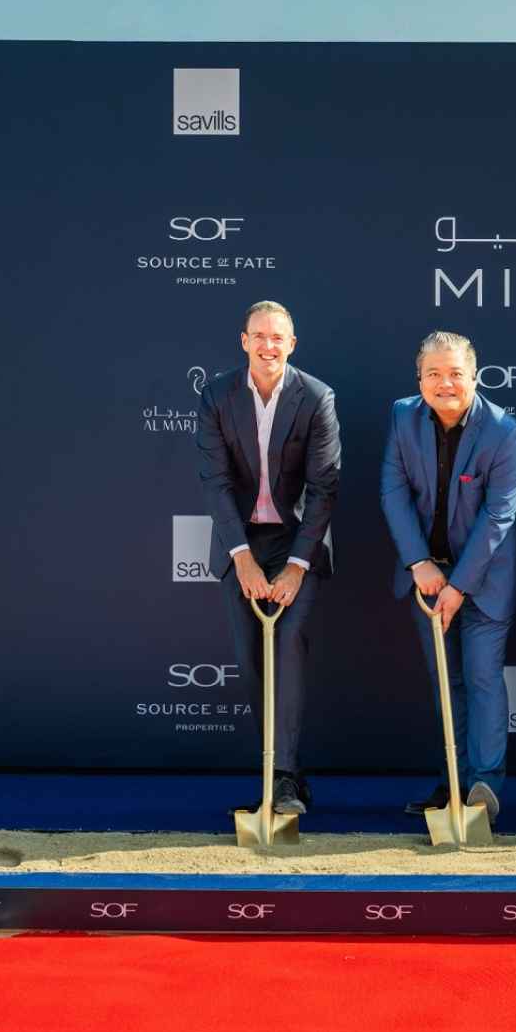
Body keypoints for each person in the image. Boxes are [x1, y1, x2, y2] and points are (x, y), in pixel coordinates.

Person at [196, 299, 339, 817]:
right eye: (260, 336)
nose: (268, 345)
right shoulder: (216, 395)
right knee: (253, 663)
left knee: (289, 652)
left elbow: (324, 488)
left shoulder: (316, 397)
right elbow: (215, 482)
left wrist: (298, 565)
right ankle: (281, 775)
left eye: (278, 337)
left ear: (292, 344)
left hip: (298, 542)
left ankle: (281, 778)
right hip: (241, 544)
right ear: (244, 341)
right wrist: (242, 558)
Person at [379, 330, 516, 822]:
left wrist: (458, 586)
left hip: (484, 583)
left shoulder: (505, 431)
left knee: (484, 678)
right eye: (434, 374)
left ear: (474, 378)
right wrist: (420, 564)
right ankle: (455, 784)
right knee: (449, 682)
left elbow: (498, 518)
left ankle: (484, 789)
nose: (445, 384)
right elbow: (394, 493)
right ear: (419, 378)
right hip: (425, 580)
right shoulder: (403, 416)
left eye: (456, 374)